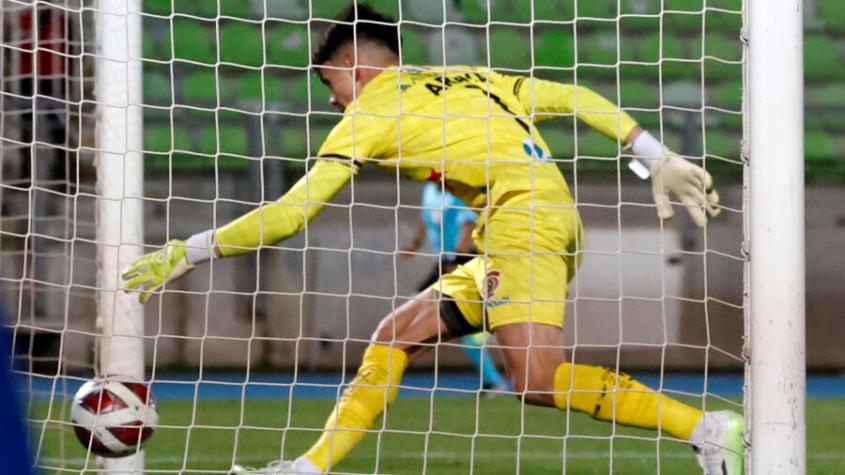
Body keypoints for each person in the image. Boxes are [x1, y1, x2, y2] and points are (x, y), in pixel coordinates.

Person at [122, 5, 742, 474]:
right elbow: (575, 95)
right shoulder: (469, 78)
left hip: (522, 220)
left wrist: (190, 250)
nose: (336, 106)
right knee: (396, 334)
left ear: (352, 67)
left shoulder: (368, 112)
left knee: (537, 379)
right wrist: (654, 155)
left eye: (331, 90)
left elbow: (291, 213)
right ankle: (308, 468)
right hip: (540, 219)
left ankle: (707, 428)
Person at [402, 182, 509, 393]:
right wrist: (415, 243)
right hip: (444, 260)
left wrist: (457, 257)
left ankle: (494, 380)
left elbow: (468, 227)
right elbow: (425, 219)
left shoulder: (457, 190)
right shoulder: (429, 191)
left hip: (463, 260)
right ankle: (492, 380)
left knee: (469, 334)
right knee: (415, 306)